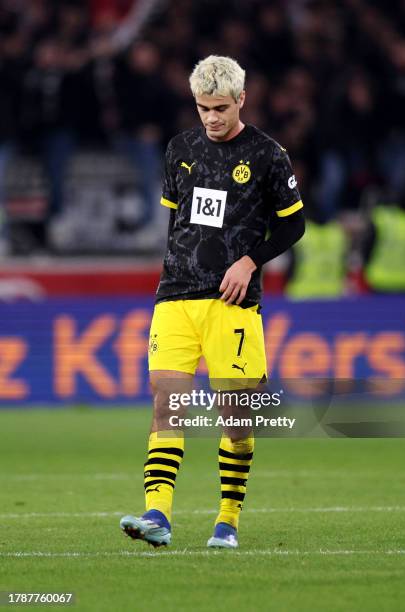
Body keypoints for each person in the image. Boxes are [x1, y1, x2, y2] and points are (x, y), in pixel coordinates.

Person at [120, 55, 305, 549]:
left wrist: (250, 260)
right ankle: (157, 514)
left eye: (221, 107)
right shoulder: (180, 148)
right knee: (166, 402)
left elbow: (293, 224)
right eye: (203, 108)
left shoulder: (268, 155)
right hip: (176, 297)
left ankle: (227, 521)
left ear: (241, 100)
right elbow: (180, 223)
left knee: (236, 420)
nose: (211, 118)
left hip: (233, 305)